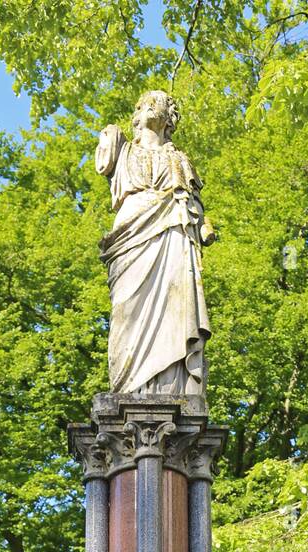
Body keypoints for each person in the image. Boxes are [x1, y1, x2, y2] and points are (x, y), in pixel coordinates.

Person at [96, 89, 214, 397]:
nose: (148, 105)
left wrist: (204, 226)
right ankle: (127, 385)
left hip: (173, 232)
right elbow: (103, 160)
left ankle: (171, 384)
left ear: (168, 118)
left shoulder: (179, 159)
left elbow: (193, 200)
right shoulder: (122, 149)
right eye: (143, 103)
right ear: (136, 115)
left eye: (156, 102)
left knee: (176, 304)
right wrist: (109, 135)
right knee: (126, 310)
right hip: (131, 234)